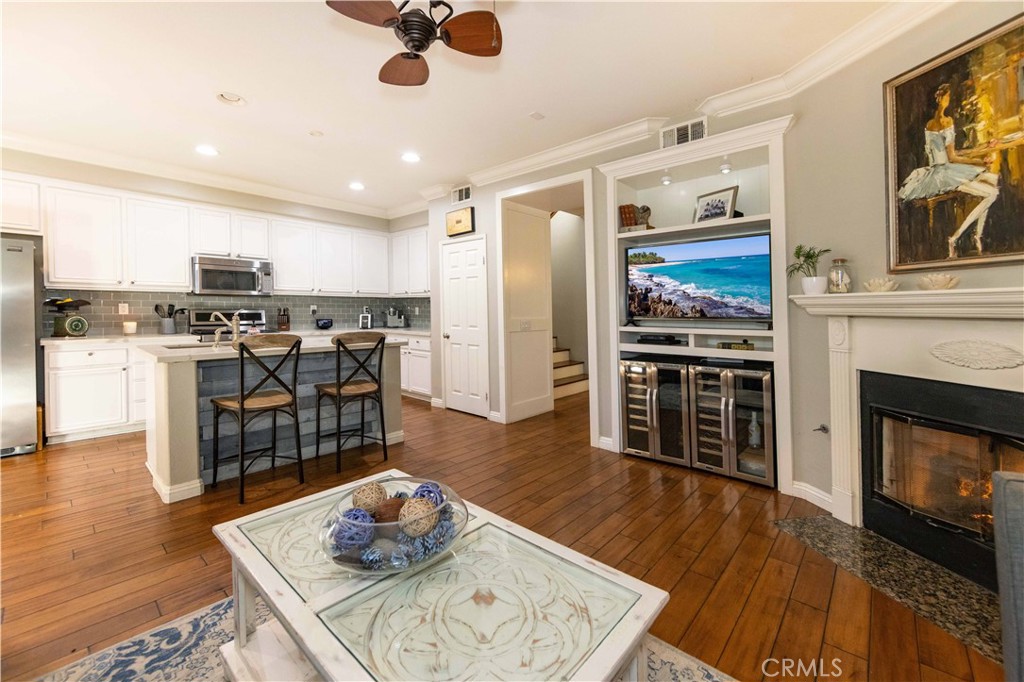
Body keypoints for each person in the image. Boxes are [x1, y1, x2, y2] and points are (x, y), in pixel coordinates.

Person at [897, 83, 999, 258]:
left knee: (993, 180)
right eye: (948, 97)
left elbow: (950, 153)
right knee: (992, 193)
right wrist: (980, 160)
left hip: (937, 171)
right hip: (946, 173)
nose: (949, 100)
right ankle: (956, 237)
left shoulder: (929, 124)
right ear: (943, 99)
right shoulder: (947, 121)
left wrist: (982, 148)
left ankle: (977, 236)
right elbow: (953, 158)